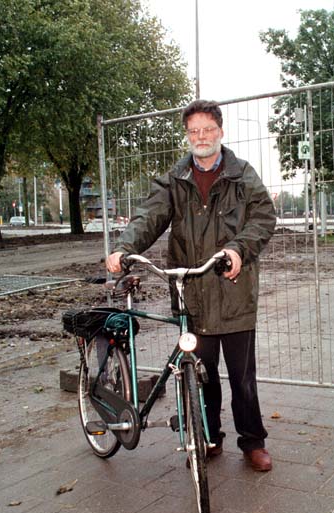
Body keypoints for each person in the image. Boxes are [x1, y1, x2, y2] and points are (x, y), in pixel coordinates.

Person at [106, 99, 277, 472]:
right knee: (201, 374)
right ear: (188, 136)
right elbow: (149, 216)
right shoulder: (174, 179)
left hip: (233, 292)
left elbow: (264, 217)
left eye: (208, 130)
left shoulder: (241, 175)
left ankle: (253, 442)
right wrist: (124, 248)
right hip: (192, 295)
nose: (201, 137)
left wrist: (238, 249)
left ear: (220, 132)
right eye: (194, 131)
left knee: (242, 379)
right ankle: (208, 437)